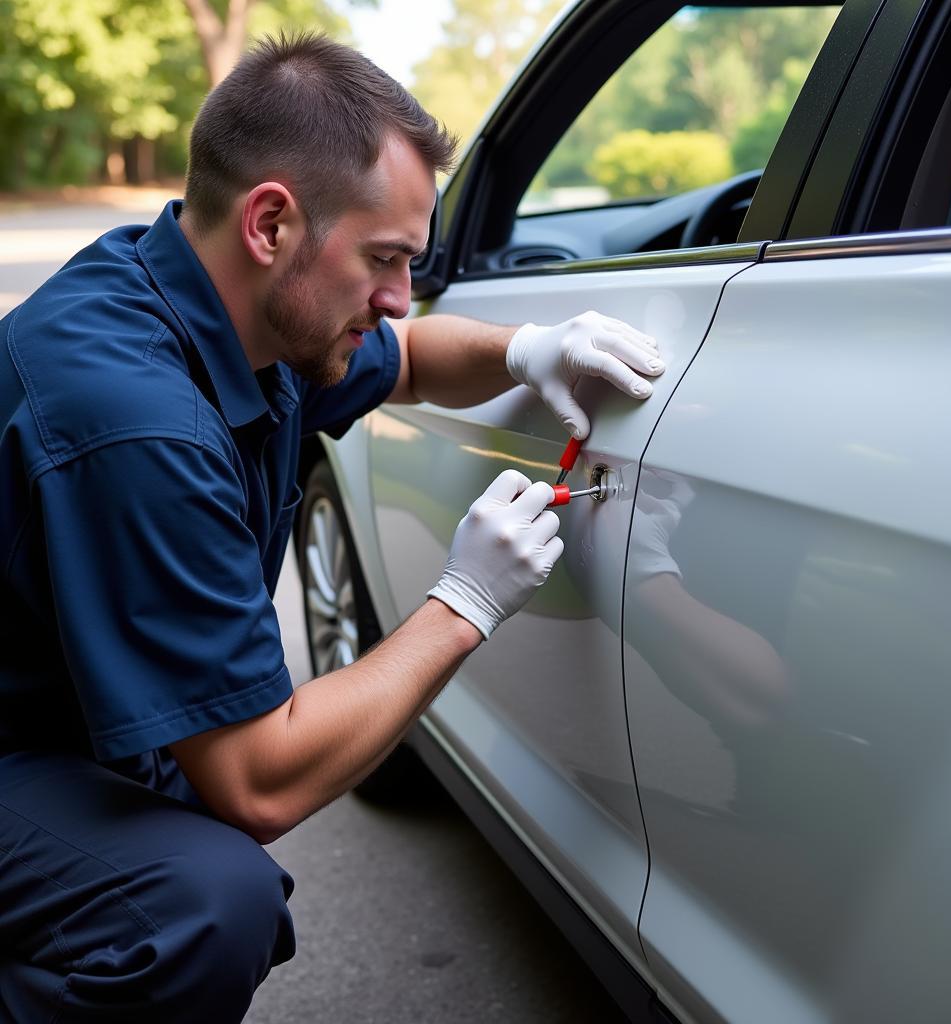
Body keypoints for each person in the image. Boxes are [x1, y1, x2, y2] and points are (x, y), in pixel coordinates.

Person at [0, 33, 664, 1022]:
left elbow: (410, 358)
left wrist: (533, 349)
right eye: (385, 259)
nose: (398, 296)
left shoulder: (231, 307)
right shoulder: (137, 419)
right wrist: (464, 601)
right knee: (202, 900)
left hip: (48, 723)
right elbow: (258, 782)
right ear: (272, 222)